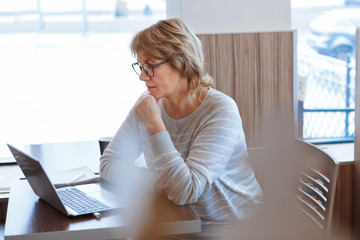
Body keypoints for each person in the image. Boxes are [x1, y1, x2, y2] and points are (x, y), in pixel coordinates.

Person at [100, 18, 263, 239]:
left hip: (229, 229)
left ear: (181, 61)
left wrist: (155, 125)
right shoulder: (148, 103)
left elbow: (185, 191)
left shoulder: (220, 110)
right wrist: (159, 184)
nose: (141, 76)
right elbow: (109, 162)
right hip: (178, 222)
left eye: (150, 66)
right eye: (140, 66)